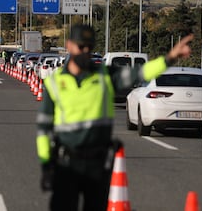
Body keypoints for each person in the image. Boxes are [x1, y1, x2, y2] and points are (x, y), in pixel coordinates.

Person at [36, 24, 193, 211]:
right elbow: (44, 128)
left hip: (98, 164)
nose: (85, 52)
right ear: (69, 46)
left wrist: (169, 58)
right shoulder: (55, 82)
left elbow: (141, 72)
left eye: (89, 47)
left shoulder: (105, 76)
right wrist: (46, 165)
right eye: (81, 47)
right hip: (66, 164)